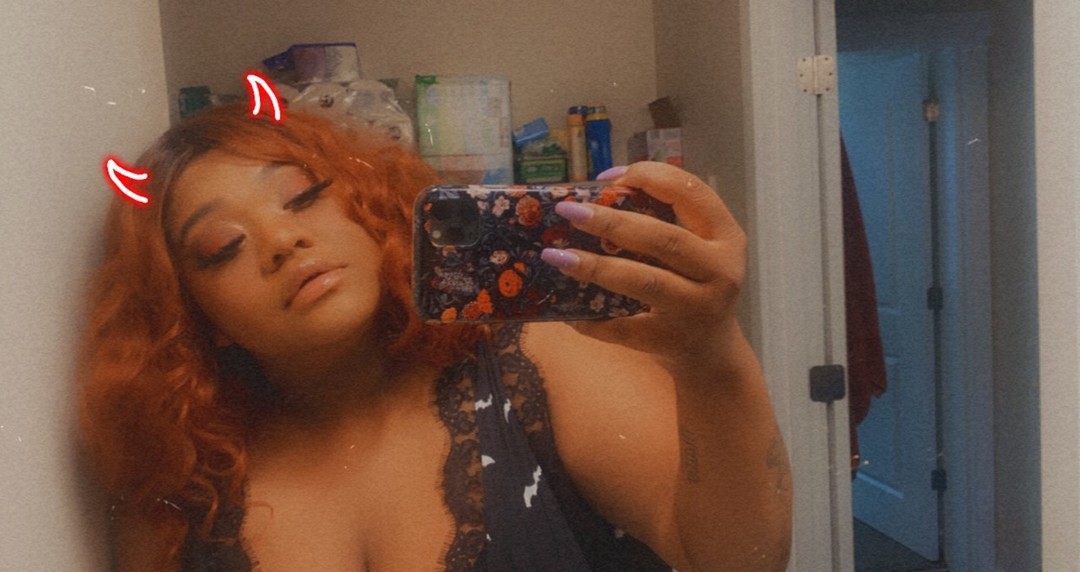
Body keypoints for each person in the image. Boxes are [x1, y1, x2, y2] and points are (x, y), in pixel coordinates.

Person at [79, 104, 791, 571]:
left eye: (301, 196)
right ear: (195, 315)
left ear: (368, 209)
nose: (281, 240)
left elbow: (739, 559)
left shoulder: (531, 364)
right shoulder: (182, 485)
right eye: (221, 247)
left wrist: (710, 352)